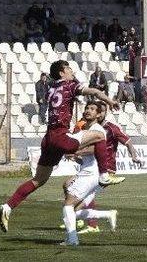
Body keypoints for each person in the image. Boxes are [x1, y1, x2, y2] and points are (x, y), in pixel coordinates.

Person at [0, 60, 125, 233]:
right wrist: (110, 101)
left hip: (48, 138)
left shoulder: (51, 88)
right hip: (60, 136)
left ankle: (8, 206)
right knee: (100, 135)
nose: (72, 72)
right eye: (69, 69)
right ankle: (104, 176)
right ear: (62, 72)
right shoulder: (69, 85)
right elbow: (93, 91)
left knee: (38, 180)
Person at [59, 102, 119, 245]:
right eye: (87, 108)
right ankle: (107, 215)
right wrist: (75, 156)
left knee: (68, 205)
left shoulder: (98, 130)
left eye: (92, 109)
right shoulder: (85, 128)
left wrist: (76, 151)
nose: (88, 111)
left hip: (91, 173)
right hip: (87, 171)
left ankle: (72, 240)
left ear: (98, 114)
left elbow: (94, 150)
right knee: (72, 208)